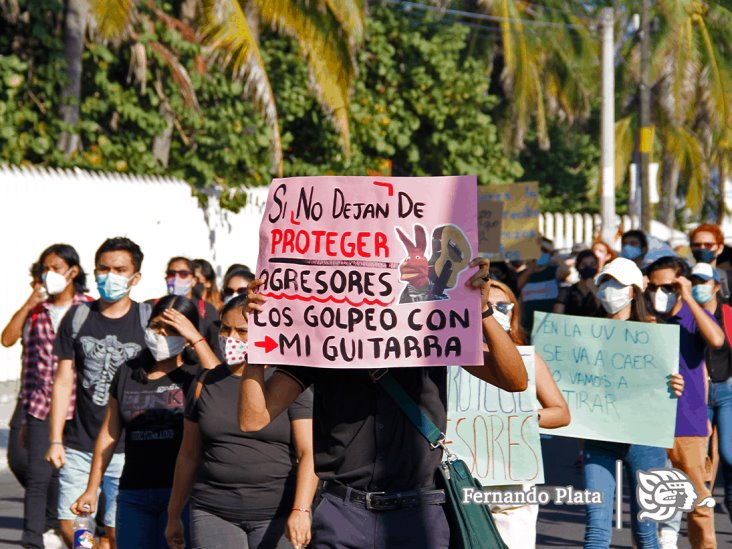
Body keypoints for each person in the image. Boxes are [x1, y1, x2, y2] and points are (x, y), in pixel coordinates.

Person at [238, 260, 528, 549]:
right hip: (343, 513)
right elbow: (254, 419)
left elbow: (515, 380)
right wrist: (258, 342)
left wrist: (484, 311)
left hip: (417, 514)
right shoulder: (320, 341)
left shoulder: (428, 334)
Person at [166, 294, 318, 549]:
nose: (231, 338)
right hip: (213, 511)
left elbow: (308, 453)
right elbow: (188, 454)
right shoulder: (205, 381)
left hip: (276, 514)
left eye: (242, 331)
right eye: (226, 328)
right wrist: (173, 515)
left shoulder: (287, 381)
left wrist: (301, 510)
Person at [69, 296, 210, 548]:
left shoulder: (196, 375)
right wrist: (92, 487)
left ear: (188, 333)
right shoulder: (127, 371)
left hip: (183, 496)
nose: (162, 334)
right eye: (157, 326)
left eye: (173, 329)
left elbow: (223, 384)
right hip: (134, 492)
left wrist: (195, 339)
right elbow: (109, 433)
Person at [46, 237, 150, 548]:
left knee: (118, 532)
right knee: (73, 526)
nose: (110, 276)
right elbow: (63, 380)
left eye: (120, 269)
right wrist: (55, 439)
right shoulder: (78, 318)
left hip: (126, 449)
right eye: (104, 268)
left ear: (135, 277)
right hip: (80, 443)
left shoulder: (146, 321)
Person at [577, 258, 685, 549]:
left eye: (618, 284)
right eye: (605, 283)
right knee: (596, 528)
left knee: (646, 530)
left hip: (644, 438)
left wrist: (676, 386)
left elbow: (669, 383)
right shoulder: (583, 332)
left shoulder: (654, 331)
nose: (610, 290)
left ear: (634, 291)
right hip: (599, 436)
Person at [2, 245, 91, 549]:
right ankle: (32, 540)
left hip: (79, 406)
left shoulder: (87, 308)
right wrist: (29, 303)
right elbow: (7, 339)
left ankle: (62, 528)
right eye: (45, 268)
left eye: (55, 267)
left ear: (73, 272)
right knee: (38, 472)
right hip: (41, 404)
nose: (48, 274)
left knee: (72, 473)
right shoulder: (37, 310)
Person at [645, 256, 725, 549]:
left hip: (687, 422)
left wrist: (689, 297)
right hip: (646, 422)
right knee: (647, 499)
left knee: (697, 499)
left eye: (668, 286)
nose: (659, 293)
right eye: (654, 287)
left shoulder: (693, 317)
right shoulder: (644, 317)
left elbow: (717, 339)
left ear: (681, 285)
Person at [486, 279, 570, 547]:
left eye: (501, 306)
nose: (492, 311)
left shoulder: (527, 359)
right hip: (461, 479)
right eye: (485, 306)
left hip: (512, 481)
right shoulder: (452, 358)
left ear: (514, 313)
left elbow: (561, 413)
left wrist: (527, 418)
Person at [689, 263, 732, 523]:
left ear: (716, 286)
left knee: (728, 453)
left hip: (726, 391)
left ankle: (730, 498)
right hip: (698, 395)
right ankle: (701, 505)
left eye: (703, 282)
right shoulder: (687, 315)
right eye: (693, 282)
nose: (698, 287)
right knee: (699, 456)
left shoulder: (727, 314)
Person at [517, 237, 570, 337]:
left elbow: (566, 271)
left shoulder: (554, 271)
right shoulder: (524, 275)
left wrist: (553, 252)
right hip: (528, 326)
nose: (541, 253)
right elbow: (519, 291)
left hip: (548, 326)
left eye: (545, 250)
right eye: (538, 250)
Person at [163, 257, 219, 338]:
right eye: (171, 273)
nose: (176, 278)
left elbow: (213, 342)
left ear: (194, 280)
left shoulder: (206, 309)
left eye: (183, 274)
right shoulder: (153, 305)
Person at [553, 250, 602, 318]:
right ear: (577, 266)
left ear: (597, 267)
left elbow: (604, 313)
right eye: (584, 265)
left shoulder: (602, 290)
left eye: (592, 265)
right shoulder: (566, 291)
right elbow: (557, 316)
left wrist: (593, 289)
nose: (588, 268)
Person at [689, 224, 729, 304]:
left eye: (708, 245)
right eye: (697, 245)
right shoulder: (684, 276)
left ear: (720, 248)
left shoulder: (728, 280)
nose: (702, 248)